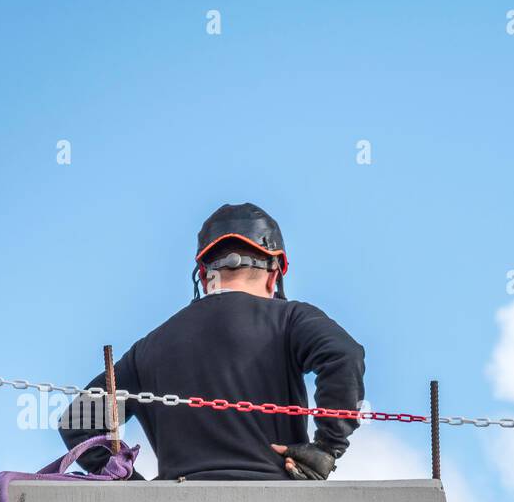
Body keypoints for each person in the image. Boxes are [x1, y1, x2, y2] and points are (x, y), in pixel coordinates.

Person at [60, 202, 365, 481]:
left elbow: (77, 421)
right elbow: (344, 355)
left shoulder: (150, 347)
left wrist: (133, 486)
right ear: (276, 273)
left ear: (204, 276)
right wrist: (326, 448)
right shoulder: (290, 319)